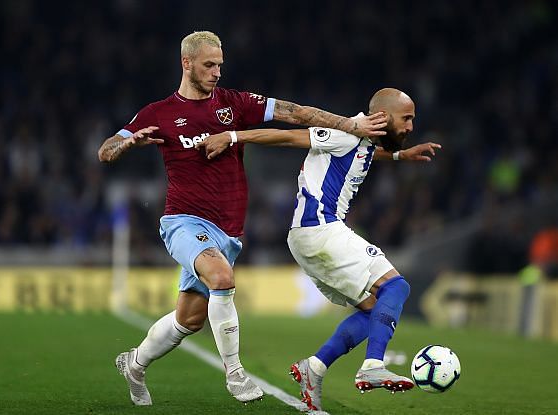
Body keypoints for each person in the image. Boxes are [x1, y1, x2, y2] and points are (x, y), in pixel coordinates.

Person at [97, 30, 389, 407]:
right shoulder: (158, 113)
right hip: (183, 220)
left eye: (220, 64)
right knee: (222, 278)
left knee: (189, 320)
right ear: (186, 63)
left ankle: (135, 364)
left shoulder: (235, 104)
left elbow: (294, 112)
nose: (217, 72)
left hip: (228, 231)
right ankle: (235, 374)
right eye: (208, 65)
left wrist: (351, 125)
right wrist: (128, 143)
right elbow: (105, 151)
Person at [196, 88, 441, 411]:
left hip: (310, 236)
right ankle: (373, 366)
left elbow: (364, 152)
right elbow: (287, 138)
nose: (411, 127)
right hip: (320, 229)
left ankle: (315, 367)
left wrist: (398, 156)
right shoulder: (345, 132)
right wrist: (231, 136)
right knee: (396, 286)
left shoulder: (362, 141)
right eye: (407, 118)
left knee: (373, 311)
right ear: (382, 116)